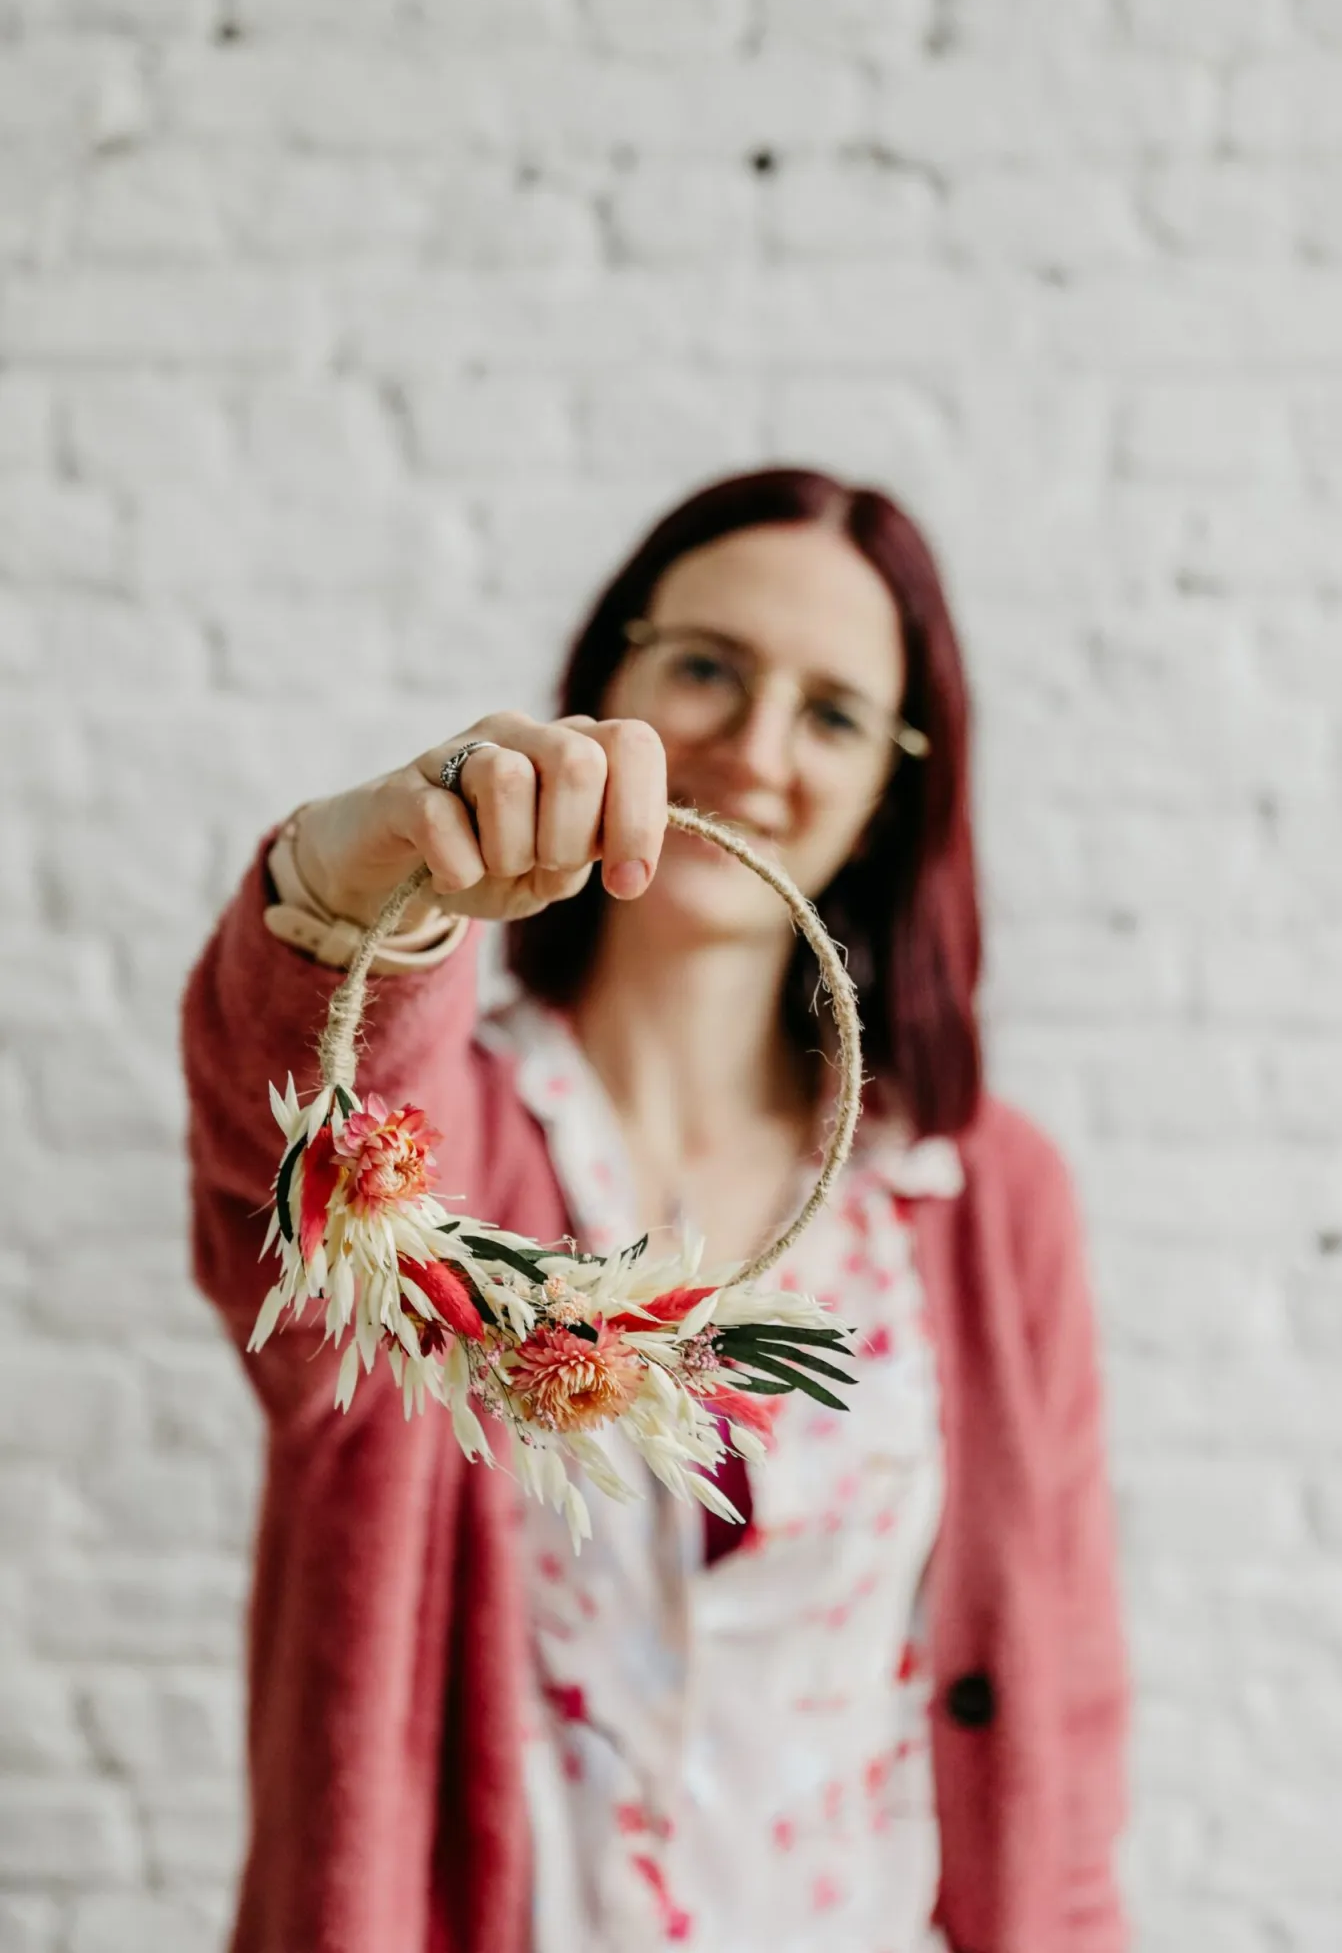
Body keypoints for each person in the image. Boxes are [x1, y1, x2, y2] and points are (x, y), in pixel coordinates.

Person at [182, 466, 1128, 1953]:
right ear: (607, 684)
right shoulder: (442, 1145)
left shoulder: (981, 1196)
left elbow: (1062, 1721)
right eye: (706, 668)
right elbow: (275, 1154)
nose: (754, 748)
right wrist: (357, 885)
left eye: (831, 712)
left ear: (895, 786)